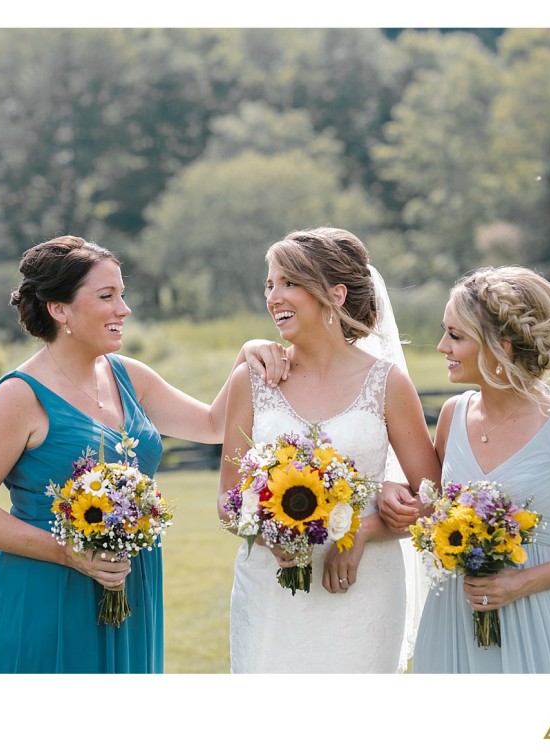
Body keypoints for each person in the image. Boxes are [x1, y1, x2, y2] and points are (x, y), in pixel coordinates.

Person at [0, 234, 288, 674]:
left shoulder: (129, 376)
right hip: (50, 589)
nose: (123, 309)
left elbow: (213, 426)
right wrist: (70, 553)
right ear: (60, 309)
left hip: (132, 581)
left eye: (122, 295)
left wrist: (246, 356)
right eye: (107, 296)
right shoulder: (19, 396)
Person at [217, 227, 441, 673]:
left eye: (290, 282)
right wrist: (269, 535)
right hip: (270, 592)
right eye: (270, 284)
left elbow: (433, 501)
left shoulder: (387, 383)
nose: (273, 296)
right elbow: (228, 500)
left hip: (361, 590)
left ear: (336, 295)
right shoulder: (253, 380)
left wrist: (363, 531)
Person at [380, 266, 550, 673]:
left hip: (533, 617)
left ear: (502, 347)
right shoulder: (452, 414)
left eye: (455, 336)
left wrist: (520, 583)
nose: (442, 346)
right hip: (451, 613)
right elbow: (434, 509)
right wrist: (394, 490)